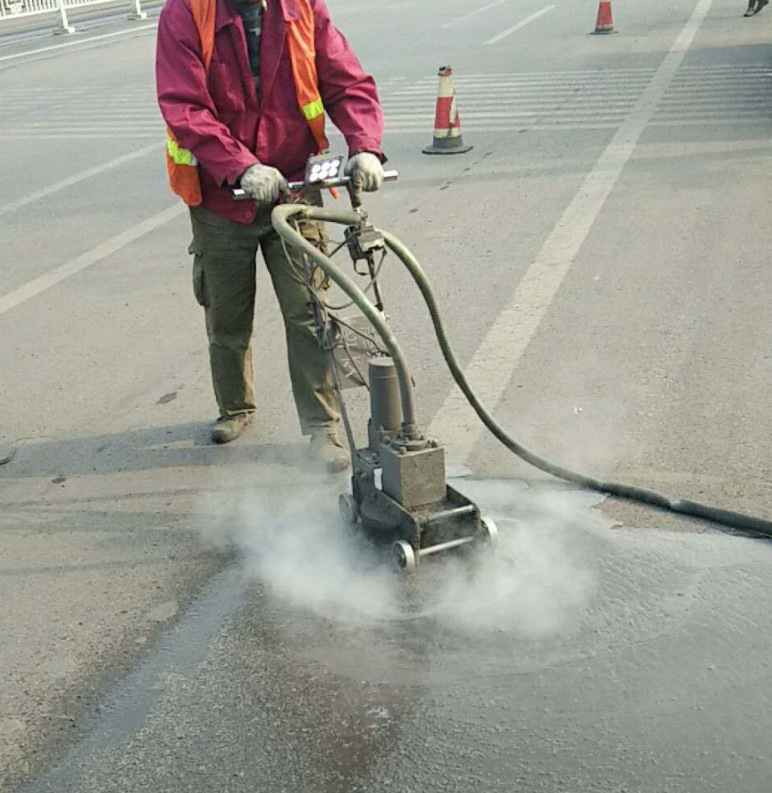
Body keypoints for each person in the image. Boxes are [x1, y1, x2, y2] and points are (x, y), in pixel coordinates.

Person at [156, 0, 385, 472]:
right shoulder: (186, 12)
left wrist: (365, 147)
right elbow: (185, 106)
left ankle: (322, 426)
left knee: (309, 312)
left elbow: (347, 82)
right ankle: (235, 406)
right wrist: (240, 164)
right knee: (226, 313)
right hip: (223, 196)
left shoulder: (303, 8)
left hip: (295, 189)